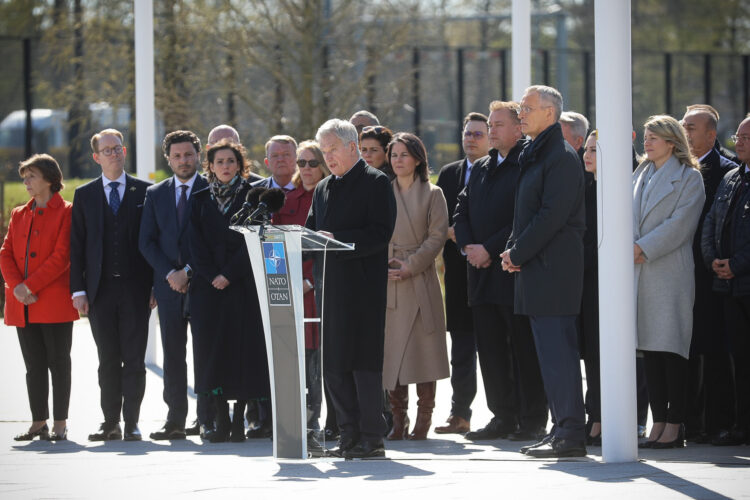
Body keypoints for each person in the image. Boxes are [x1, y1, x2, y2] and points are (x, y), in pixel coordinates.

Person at [500, 85, 587, 458]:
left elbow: (552, 216)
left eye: (528, 108)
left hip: (553, 271)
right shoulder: (537, 152)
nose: (522, 113)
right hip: (539, 269)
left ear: (550, 114)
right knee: (549, 356)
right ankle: (561, 429)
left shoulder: (560, 156)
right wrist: (513, 249)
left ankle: (570, 434)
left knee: (559, 356)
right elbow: (527, 213)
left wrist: (517, 252)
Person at [456, 101, 548, 442]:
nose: (491, 131)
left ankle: (532, 418)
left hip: (514, 273)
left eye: (497, 125)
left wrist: (489, 249)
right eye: (489, 125)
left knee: (523, 348)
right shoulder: (481, 167)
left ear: (518, 129)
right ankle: (502, 417)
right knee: (491, 351)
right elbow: (461, 209)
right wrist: (468, 247)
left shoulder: (528, 164)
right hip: (479, 274)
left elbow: (521, 218)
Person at [305, 118, 396, 458]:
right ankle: (347, 436)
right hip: (330, 289)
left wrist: (338, 240)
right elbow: (312, 230)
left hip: (363, 290)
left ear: (352, 146)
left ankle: (372, 438)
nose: (327, 157)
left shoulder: (376, 182)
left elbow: (380, 232)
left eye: (332, 149)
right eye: (323, 150)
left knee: (363, 365)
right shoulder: (324, 188)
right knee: (336, 366)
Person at [70, 129, 153, 442]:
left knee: (134, 358)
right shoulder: (85, 194)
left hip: (136, 290)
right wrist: (77, 290)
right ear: (96, 157)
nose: (113, 154)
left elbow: (152, 241)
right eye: (106, 150)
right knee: (107, 359)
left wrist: (156, 285)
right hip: (99, 292)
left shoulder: (146, 191)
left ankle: (131, 422)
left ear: (125, 151)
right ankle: (110, 422)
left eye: (117, 148)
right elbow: (76, 246)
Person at [188, 139, 271, 443]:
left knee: (243, 355)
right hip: (207, 291)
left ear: (240, 165)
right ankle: (218, 418)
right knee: (213, 356)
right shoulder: (198, 199)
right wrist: (213, 275)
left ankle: (239, 422)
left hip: (242, 288)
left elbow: (257, 239)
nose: (225, 166)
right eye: (219, 161)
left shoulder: (254, 197)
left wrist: (229, 274)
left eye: (231, 161)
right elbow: (193, 244)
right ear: (210, 166)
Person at [633, 115, 705, 449]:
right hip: (638, 272)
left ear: (672, 143)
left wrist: (642, 247)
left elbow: (680, 226)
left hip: (668, 273)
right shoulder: (640, 174)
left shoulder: (690, 178)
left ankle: (675, 425)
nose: (646, 143)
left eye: (654, 138)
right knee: (650, 352)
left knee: (671, 350)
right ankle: (658, 422)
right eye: (646, 137)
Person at [1, 154, 79, 441]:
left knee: (58, 364)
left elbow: (62, 257)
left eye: (31, 176)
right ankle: (38, 422)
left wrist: (29, 286)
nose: (26, 182)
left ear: (49, 178)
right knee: (33, 367)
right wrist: (17, 286)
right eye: (24, 177)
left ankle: (60, 423)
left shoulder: (68, 212)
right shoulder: (19, 214)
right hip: (23, 305)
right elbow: (5, 253)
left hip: (53, 303)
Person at [139, 130, 209, 440]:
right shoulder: (155, 194)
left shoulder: (210, 190)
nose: (183, 160)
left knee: (206, 352)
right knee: (173, 354)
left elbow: (213, 242)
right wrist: (170, 273)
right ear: (168, 159)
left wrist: (189, 271)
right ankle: (176, 419)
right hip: (167, 287)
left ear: (198, 156)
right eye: (177, 156)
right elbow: (147, 242)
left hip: (205, 285)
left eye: (188, 155)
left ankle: (208, 418)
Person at [383, 132, 449, 441]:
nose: (397, 160)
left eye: (403, 155)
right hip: (390, 278)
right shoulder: (382, 192)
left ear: (418, 159)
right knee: (392, 352)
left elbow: (437, 237)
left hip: (419, 278)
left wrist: (412, 264)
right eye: (393, 154)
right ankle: (399, 419)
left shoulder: (433, 193)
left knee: (423, 352)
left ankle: (425, 417)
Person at [681, 105, 738, 445]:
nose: (685, 132)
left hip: (714, 274)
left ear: (711, 135)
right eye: (683, 125)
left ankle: (718, 420)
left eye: (691, 126)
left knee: (716, 351)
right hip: (682, 270)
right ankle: (689, 419)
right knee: (685, 350)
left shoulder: (727, 171)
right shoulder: (675, 167)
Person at [434, 112, 488, 435]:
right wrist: (450, 233)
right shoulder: (450, 173)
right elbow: (438, 217)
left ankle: (509, 412)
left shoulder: (499, 169)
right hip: (456, 273)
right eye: (467, 133)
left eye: (478, 134)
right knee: (462, 349)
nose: (471, 138)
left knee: (497, 348)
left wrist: (470, 236)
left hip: (491, 267)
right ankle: (460, 413)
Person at [271, 140, 331, 433]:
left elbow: (324, 246)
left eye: (312, 163)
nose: (306, 169)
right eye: (302, 163)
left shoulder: (329, 196)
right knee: (294, 355)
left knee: (318, 357)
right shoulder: (284, 200)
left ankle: (319, 418)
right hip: (289, 291)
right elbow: (276, 245)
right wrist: (285, 281)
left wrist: (308, 281)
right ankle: (295, 419)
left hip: (318, 287)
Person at [701, 115, 750, 446]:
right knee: (739, 360)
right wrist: (714, 260)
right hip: (728, 285)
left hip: (745, 279)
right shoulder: (732, 177)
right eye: (739, 135)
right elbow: (710, 222)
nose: (740, 141)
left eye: (747, 136)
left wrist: (737, 264)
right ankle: (741, 425)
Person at [247, 134, 298, 438]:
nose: (281, 160)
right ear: (266, 162)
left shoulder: (310, 190)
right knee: (262, 354)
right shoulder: (254, 195)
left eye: (287, 155)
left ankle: (301, 418)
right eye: (275, 156)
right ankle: (261, 418)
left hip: (301, 282)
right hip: (262, 281)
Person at [580, 130, 601, 445]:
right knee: (589, 355)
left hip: (604, 284)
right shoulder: (584, 187)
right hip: (582, 282)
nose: (586, 154)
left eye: (594, 149)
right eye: (586, 148)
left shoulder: (618, 191)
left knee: (602, 354)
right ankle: (593, 415)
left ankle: (602, 418)